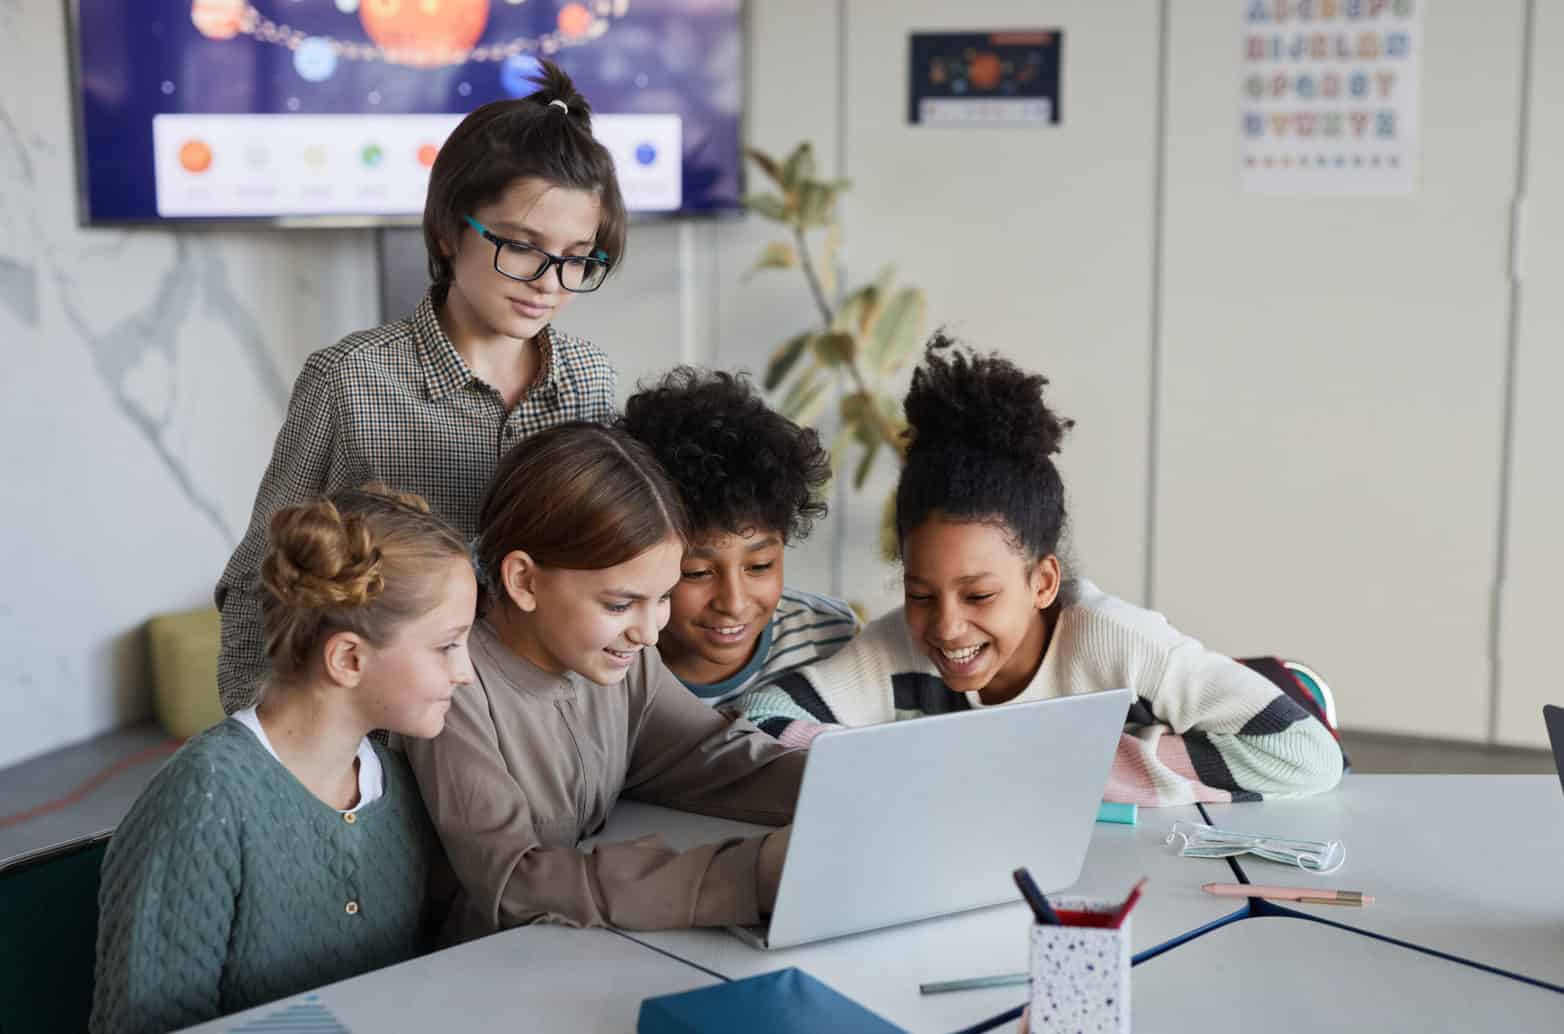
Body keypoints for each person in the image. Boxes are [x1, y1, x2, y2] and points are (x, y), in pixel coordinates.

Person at [773, 335, 1344, 805]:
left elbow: (1303, 753)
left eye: (978, 597)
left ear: (1042, 582)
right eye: (921, 594)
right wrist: (910, 765)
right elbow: (762, 720)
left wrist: (1052, 766)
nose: (945, 628)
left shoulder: (1115, 641)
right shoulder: (897, 647)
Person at [216, 61, 625, 714]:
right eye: (521, 246)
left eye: (577, 257)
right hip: (384, 724)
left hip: (537, 716)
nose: (550, 281)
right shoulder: (351, 381)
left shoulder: (589, 380)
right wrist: (259, 745)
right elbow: (258, 579)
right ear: (446, 230)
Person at [92, 487, 476, 1034]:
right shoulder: (205, 800)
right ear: (348, 658)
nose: (465, 671)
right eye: (447, 646)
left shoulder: (395, 782)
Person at [402, 423, 804, 941]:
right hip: (482, 973)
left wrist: (843, 787)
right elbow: (514, 881)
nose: (648, 630)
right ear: (523, 581)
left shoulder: (622, 662)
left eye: (662, 598)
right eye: (619, 604)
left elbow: (713, 755)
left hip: (590, 949)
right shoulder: (456, 689)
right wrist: (746, 876)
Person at [615, 368, 858, 746]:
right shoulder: (612, 658)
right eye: (696, 572)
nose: (733, 602)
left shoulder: (829, 638)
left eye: (759, 566)